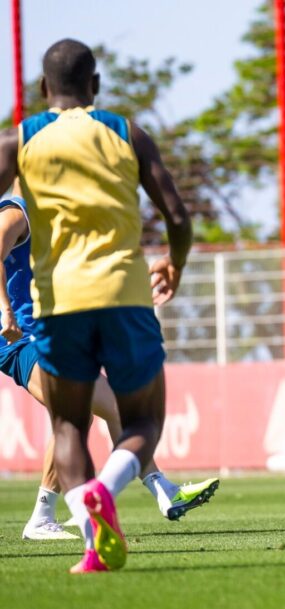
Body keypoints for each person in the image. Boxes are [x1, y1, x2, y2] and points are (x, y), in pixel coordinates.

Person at [0, 39, 194, 572]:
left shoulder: (19, 142)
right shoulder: (125, 131)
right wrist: (174, 263)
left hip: (60, 302)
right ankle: (106, 489)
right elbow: (176, 216)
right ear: (97, 86)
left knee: (68, 424)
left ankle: (92, 535)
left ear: (44, 90)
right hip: (124, 293)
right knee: (144, 421)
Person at [0, 188, 218, 541]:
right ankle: (49, 515)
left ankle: (163, 490)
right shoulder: (17, 211)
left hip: (47, 335)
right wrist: (7, 312)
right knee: (75, 409)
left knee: (113, 407)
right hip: (18, 337)